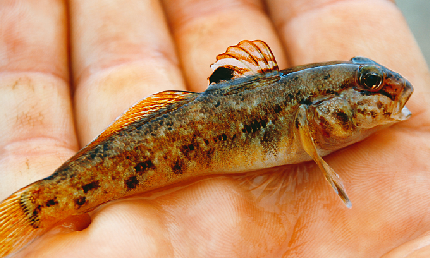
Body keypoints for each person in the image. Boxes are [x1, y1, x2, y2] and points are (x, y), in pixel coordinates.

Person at [0, 0, 429, 257]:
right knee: (68, 190)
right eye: (370, 85)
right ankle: (40, 204)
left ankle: (41, 202)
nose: (388, 92)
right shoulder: (299, 110)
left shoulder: (308, 112)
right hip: (156, 144)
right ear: (317, 107)